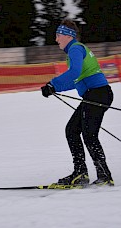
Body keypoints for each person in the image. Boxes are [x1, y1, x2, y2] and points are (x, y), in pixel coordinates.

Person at [41, 18, 114, 187]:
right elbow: (75, 80)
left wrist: (53, 84)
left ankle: (104, 176)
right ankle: (80, 172)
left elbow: (74, 72)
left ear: (68, 36)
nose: (56, 39)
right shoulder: (75, 52)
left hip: (97, 94)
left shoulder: (75, 49)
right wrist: (54, 88)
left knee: (88, 134)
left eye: (58, 35)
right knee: (72, 130)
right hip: (95, 95)